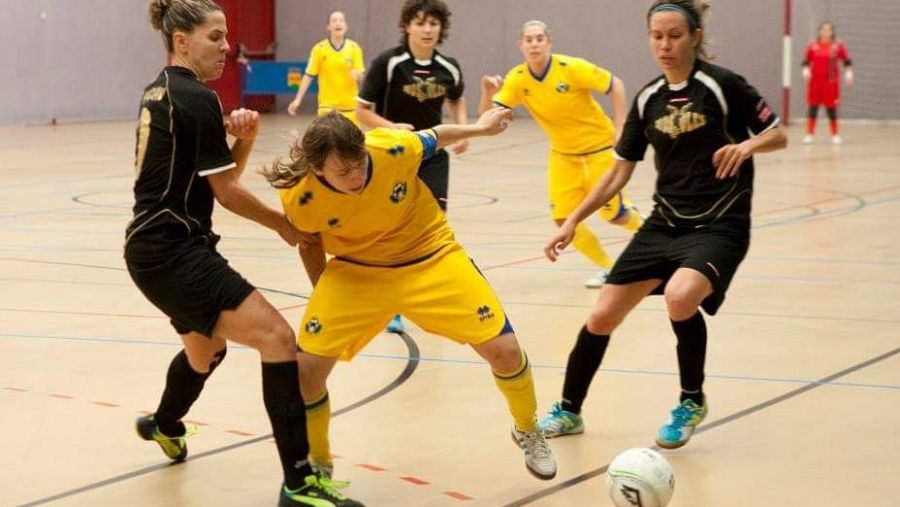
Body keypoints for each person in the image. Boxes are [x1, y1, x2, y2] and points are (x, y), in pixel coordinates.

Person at [128, 2, 363, 505]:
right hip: (172, 250)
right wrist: (288, 228)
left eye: (225, 36)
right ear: (182, 40)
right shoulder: (195, 97)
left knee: (205, 351)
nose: (225, 47)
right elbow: (229, 193)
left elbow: (219, 180)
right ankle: (299, 484)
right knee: (278, 338)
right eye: (214, 37)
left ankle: (164, 423)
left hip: (154, 249)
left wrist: (246, 141)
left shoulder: (162, 90)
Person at [537, 0, 787, 450]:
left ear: (694, 36)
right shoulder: (648, 97)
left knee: (679, 296)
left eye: (674, 35)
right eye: (657, 36)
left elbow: (778, 133)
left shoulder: (723, 84)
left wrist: (748, 148)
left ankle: (691, 400)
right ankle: (569, 410)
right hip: (663, 224)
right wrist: (572, 220)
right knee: (601, 315)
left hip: (720, 224)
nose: (665, 45)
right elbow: (618, 171)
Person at [262, 108, 557, 481]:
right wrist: (326, 294)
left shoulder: (390, 148)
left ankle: (527, 428)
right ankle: (320, 463)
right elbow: (309, 244)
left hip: (430, 254)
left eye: (358, 164)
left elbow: (436, 135)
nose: (356, 176)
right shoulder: (300, 197)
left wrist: (480, 130)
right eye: (343, 172)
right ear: (318, 169)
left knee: (506, 350)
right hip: (356, 271)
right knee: (306, 373)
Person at [479, 20, 644, 288]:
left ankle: (650, 230)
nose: (534, 44)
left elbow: (616, 84)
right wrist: (487, 93)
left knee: (615, 215)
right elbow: (489, 117)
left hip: (599, 149)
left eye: (539, 38)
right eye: (529, 40)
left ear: (549, 43)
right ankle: (610, 268)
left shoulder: (570, 68)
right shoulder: (518, 79)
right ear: (521, 45)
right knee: (562, 219)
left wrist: (621, 125)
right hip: (563, 156)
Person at [357, 0, 467, 333]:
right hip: (394, 156)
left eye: (433, 24)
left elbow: (457, 98)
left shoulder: (449, 67)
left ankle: (427, 295)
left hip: (433, 156)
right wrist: (391, 127)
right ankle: (393, 301)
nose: (427, 29)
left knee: (433, 226)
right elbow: (362, 110)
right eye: (420, 23)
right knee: (395, 228)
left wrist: (460, 129)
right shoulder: (389, 63)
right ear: (407, 26)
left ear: (441, 28)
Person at [287, 11, 365, 125]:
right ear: (328, 26)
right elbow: (309, 75)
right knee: (328, 140)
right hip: (327, 107)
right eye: (334, 21)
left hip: (350, 107)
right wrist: (297, 100)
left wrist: (357, 75)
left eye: (341, 20)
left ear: (346, 26)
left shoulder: (354, 48)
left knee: (350, 142)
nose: (338, 23)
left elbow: (361, 76)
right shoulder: (319, 49)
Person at [802, 21, 853, 145]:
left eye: (828, 30)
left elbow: (847, 60)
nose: (825, 32)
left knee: (831, 109)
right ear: (819, 31)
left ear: (832, 32)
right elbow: (806, 61)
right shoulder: (812, 46)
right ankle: (809, 134)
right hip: (815, 82)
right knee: (812, 108)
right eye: (823, 29)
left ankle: (835, 135)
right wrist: (805, 70)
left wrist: (848, 73)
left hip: (830, 82)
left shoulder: (837, 46)